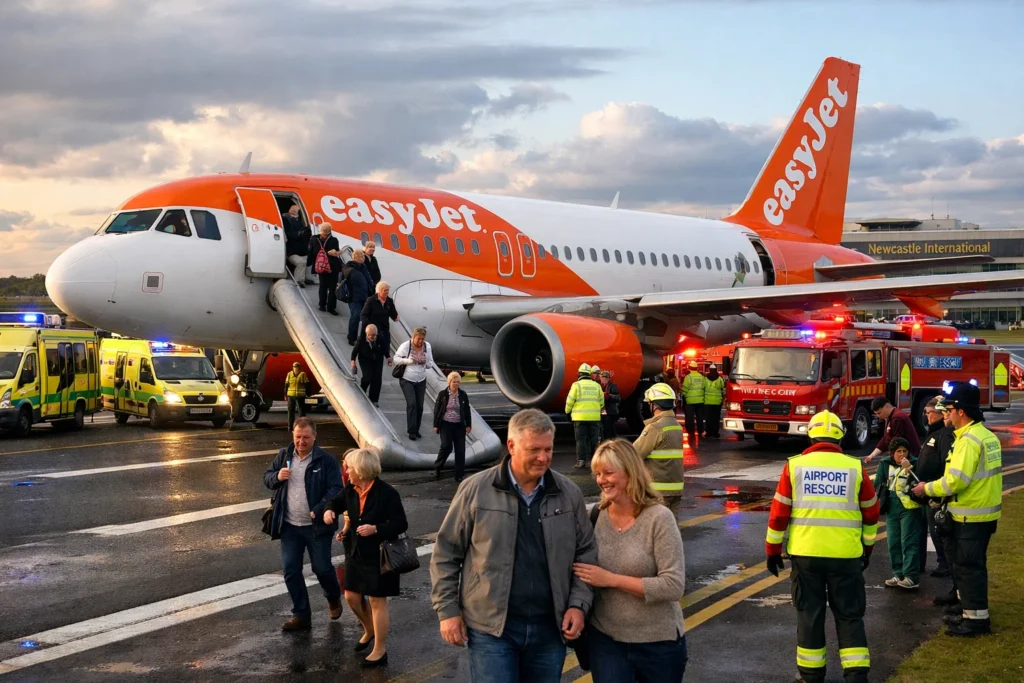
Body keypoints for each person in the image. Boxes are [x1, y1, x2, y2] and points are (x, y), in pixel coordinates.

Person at [430, 409, 598, 683]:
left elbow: (586, 553)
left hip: (549, 628)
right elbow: (446, 553)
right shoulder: (476, 490)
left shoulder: (569, 494)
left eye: (548, 449)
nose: (543, 458)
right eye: (534, 449)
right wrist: (447, 611)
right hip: (492, 630)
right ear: (511, 446)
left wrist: (578, 605)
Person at [765, 410, 879, 683]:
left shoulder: (794, 466)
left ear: (811, 437)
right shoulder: (854, 466)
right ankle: (856, 675)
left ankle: (811, 675)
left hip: (806, 556)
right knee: (850, 615)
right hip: (846, 555)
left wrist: (772, 550)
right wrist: (867, 548)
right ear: (840, 436)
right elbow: (872, 512)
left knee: (810, 614)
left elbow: (779, 514)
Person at [573, 440, 687, 682]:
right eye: (597, 474)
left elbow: (673, 586)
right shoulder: (593, 516)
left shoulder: (659, 518)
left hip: (658, 644)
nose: (601, 480)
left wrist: (611, 580)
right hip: (607, 641)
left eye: (608, 473)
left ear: (631, 472)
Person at [912, 382, 1002, 637]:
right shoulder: (985, 436)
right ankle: (967, 610)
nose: (946, 414)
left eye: (949, 409)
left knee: (967, 566)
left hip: (970, 514)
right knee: (971, 565)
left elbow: (955, 481)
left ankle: (975, 621)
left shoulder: (968, 441)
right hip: (982, 512)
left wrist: (926, 489)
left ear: (961, 411)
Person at [325, 448, 407, 668]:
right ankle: (369, 629)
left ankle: (380, 649)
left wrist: (376, 529)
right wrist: (329, 511)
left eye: (349, 467)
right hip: (356, 553)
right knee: (351, 596)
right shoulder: (351, 489)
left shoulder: (387, 493)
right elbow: (334, 502)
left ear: (361, 470)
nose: (346, 471)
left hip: (379, 555)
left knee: (377, 601)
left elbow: (401, 524)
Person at [263, 417, 343, 631]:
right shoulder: (284, 455)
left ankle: (333, 597)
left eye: (306, 437)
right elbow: (267, 477)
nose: (301, 442)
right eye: (297, 437)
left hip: (317, 526)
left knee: (322, 568)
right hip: (289, 525)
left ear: (314, 437)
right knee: (290, 570)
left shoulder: (325, 460)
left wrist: (319, 509)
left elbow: (336, 489)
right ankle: (301, 615)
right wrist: (276, 477)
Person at [873, 437, 924, 589]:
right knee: (893, 542)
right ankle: (898, 573)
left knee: (908, 542)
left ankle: (911, 576)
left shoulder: (915, 463)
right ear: (892, 453)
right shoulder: (885, 464)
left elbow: (921, 482)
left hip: (910, 508)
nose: (902, 454)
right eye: (898, 451)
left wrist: (910, 469)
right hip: (891, 507)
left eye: (905, 451)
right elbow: (878, 484)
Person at [914, 396, 955, 578]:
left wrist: (935, 489)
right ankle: (935, 562)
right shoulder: (933, 433)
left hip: (935, 491)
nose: (927, 416)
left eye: (929, 413)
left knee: (938, 530)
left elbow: (944, 463)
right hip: (926, 489)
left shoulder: (943, 435)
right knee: (929, 529)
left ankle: (944, 563)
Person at [632, 383, 685, 516]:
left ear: (654, 405)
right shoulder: (676, 426)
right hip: (676, 488)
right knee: (671, 531)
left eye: (649, 403)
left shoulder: (655, 428)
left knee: (654, 531)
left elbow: (634, 454)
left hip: (658, 491)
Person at [394, 327, 437, 440]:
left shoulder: (427, 346)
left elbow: (431, 363)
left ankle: (416, 429)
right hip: (407, 379)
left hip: (421, 380)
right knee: (412, 404)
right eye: (418, 339)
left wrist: (426, 362)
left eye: (422, 339)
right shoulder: (406, 346)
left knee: (420, 406)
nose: (420, 342)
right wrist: (407, 361)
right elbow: (396, 359)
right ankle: (411, 431)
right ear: (413, 337)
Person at [433, 371, 472, 481]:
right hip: (446, 424)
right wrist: (436, 425)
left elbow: (467, 410)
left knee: (460, 450)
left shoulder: (463, 395)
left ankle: (459, 474)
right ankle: (438, 467)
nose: (456, 384)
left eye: (458, 382)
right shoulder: (443, 394)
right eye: (454, 382)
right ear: (449, 382)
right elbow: (437, 410)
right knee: (446, 446)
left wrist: (468, 424)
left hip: (459, 425)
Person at [566, 363, 604, 469]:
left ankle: (581, 461)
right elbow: (602, 402)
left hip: (579, 418)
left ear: (579, 374)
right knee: (594, 440)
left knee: (581, 440)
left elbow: (570, 401)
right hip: (594, 418)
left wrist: (567, 411)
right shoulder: (597, 386)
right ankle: (594, 461)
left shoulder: (576, 385)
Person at [864, 396, 921, 463]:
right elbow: (886, 439)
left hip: (909, 456)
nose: (878, 416)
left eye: (879, 413)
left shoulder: (897, 418)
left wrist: (890, 458)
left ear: (886, 407)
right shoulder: (892, 416)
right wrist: (872, 455)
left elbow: (897, 443)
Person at [307, 222, 343, 315]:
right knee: (332, 288)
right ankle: (331, 308)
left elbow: (311, 252)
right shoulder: (334, 240)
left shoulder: (313, 239)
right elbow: (336, 252)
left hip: (320, 266)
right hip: (332, 267)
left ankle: (322, 305)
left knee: (322, 286)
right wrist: (337, 252)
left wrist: (309, 264)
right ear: (330, 231)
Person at [360, 281, 400, 360]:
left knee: (385, 347)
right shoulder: (371, 300)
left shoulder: (389, 301)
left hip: (384, 328)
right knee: (372, 348)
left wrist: (396, 317)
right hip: (373, 329)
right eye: (385, 290)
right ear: (379, 291)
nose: (387, 292)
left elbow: (393, 314)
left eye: (388, 290)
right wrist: (369, 326)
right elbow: (363, 315)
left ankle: (384, 359)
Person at [342, 249, 374, 345]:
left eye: (363, 256)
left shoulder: (363, 267)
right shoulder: (349, 269)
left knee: (364, 318)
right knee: (355, 316)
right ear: (355, 258)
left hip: (364, 297)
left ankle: (363, 337)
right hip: (354, 297)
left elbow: (369, 281)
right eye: (360, 257)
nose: (363, 258)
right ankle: (352, 338)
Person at [351, 324, 386, 405]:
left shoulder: (380, 338)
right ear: (367, 334)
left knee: (377, 379)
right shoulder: (361, 340)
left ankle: (374, 399)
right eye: (370, 335)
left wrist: (388, 357)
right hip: (365, 359)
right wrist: (353, 361)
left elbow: (385, 348)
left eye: (374, 335)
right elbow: (355, 351)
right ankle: (363, 387)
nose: (372, 337)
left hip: (377, 360)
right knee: (368, 376)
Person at [283, 204, 311, 287]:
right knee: (301, 262)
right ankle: (299, 281)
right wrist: (301, 233)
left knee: (312, 258)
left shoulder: (297, 222)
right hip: (291, 252)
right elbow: (291, 235)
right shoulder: (287, 221)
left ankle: (307, 278)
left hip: (300, 252)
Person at [681, 361, 706, 446]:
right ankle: (700, 430)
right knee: (700, 417)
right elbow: (704, 387)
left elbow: (684, 389)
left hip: (690, 401)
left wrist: (683, 395)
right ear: (697, 368)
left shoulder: (688, 377)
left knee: (689, 418)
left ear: (689, 368)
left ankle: (691, 431)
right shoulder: (702, 377)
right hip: (700, 400)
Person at [284, 361, 309, 432]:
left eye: (296, 367)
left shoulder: (302, 374)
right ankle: (292, 427)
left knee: (299, 412)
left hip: (298, 396)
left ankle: (299, 427)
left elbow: (307, 384)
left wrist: (285, 395)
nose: (295, 369)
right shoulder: (290, 374)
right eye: (295, 367)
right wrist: (285, 395)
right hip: (292, 396)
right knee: (295, 412)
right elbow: (286, 385)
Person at [703, 363, 725, 438]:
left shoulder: (705, 378)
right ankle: (715, 433)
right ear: (716, 370)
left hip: (707, 401)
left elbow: (703, 387)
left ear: (709, 370)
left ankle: (708, 432)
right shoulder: (720, 378)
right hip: (717, 402)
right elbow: (723, 387)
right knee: (716, 418)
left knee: (708, 418)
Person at [599, 369, 620, 440]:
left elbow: (617, 398)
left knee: (610, 430)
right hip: (604, 412)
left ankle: (613, 444)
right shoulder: (599, 386)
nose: (603, 379)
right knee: (605, 430)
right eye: (602, 378)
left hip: (611, 412)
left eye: (605, 378)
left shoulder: (613, 386)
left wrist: (608, 396)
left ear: (608, 379)